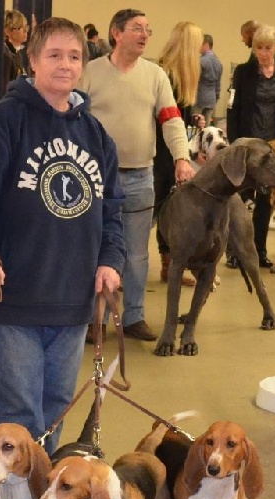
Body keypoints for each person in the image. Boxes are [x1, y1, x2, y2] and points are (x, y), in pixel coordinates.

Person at [0, 17, 126, 456]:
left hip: (72, 302)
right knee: (18, 418)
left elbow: (113, 212)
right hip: (13, 302)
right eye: (54, 55)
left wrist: (110, 260)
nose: (66, 65)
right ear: (32, 60)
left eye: (75, 56)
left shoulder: (96, 135)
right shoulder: (0, 124)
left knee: (55, 412)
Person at [79, 8, 194, 342]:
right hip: (95, 178)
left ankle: (134, 317)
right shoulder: (89, 73)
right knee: (94, 248)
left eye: (148, 29)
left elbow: (171, 119)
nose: (144, 35)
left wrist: (182, 157)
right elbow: (72, 115)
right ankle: (93, 319)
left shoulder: (156, 75)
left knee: (138, 253)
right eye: (137, 28)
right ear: (116, 33)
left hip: (141, 176)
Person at [227, 24, 275, 268]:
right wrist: (234, 142)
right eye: (258, 47)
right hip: (248, 144)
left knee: (265, 200)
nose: (262, 52)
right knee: (241, 197)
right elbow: (233, 108)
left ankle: (259, 249)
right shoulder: (243, 72)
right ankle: (236, 252)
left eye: (267, 48)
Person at [154, 21, 204, 287]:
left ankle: (168, 264)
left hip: (168, 151)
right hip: (161, 153)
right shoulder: (167, 75)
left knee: (166, 209)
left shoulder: (175, 75)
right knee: (157, 210)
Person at [194, 34, 223, 125]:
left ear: (206, 44)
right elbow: (218, 85)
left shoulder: (201, 61)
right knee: (207, 128)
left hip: (199, 98)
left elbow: (194, 81)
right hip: (211, 99)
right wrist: (216, 98)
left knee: (197, 125)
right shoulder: (219, 63)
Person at [2, 9, 29, 97]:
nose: (26, 31)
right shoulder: (5, 55)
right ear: (8, 31)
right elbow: (4, 88)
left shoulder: (18, 55)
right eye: (21, 28)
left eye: (26, 27)